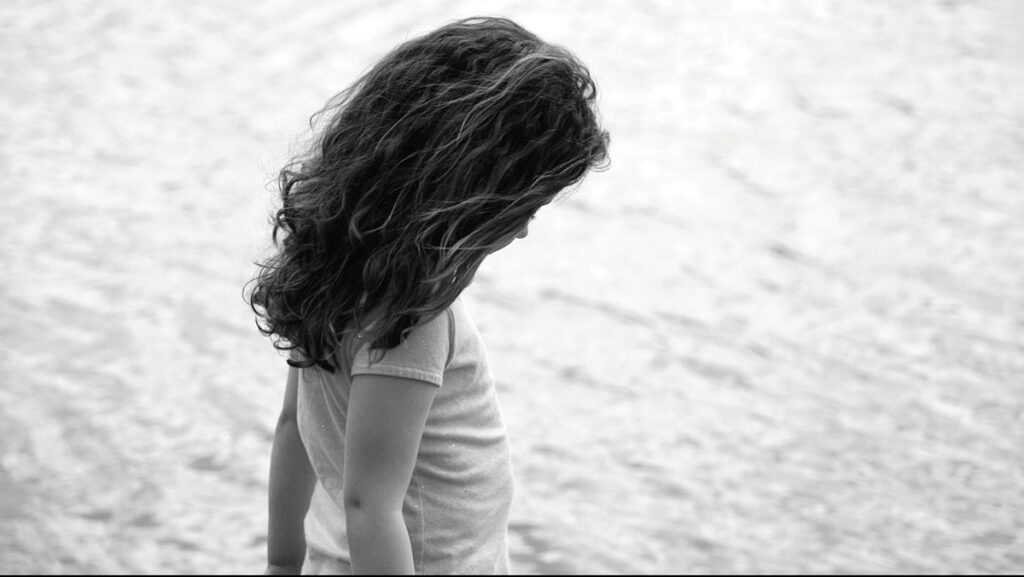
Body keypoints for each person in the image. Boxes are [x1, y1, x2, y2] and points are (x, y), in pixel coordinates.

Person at [248, 15, 609, 575]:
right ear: (473, 195)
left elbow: (294, 426)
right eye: (526, 209)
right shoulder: (412, 319)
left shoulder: (337, 277)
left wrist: (280, 563)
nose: (523, 230)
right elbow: (371, 506)